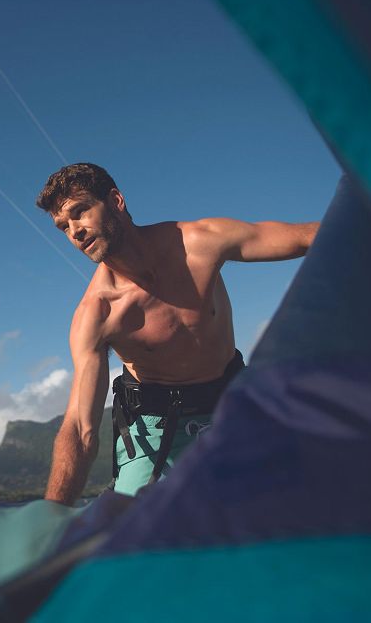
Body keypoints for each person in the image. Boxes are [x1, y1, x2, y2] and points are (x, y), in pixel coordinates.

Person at [36, 163, 319, 505]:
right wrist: (49, 520)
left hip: (234, 402)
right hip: (155, 432)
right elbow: (81, 431)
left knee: (307, 502)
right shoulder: (97, 314)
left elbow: (305, 238)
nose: (74, 232)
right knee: (130, 537)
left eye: (80, 213)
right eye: (63, 227)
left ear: (115, 200)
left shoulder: (200, 243)